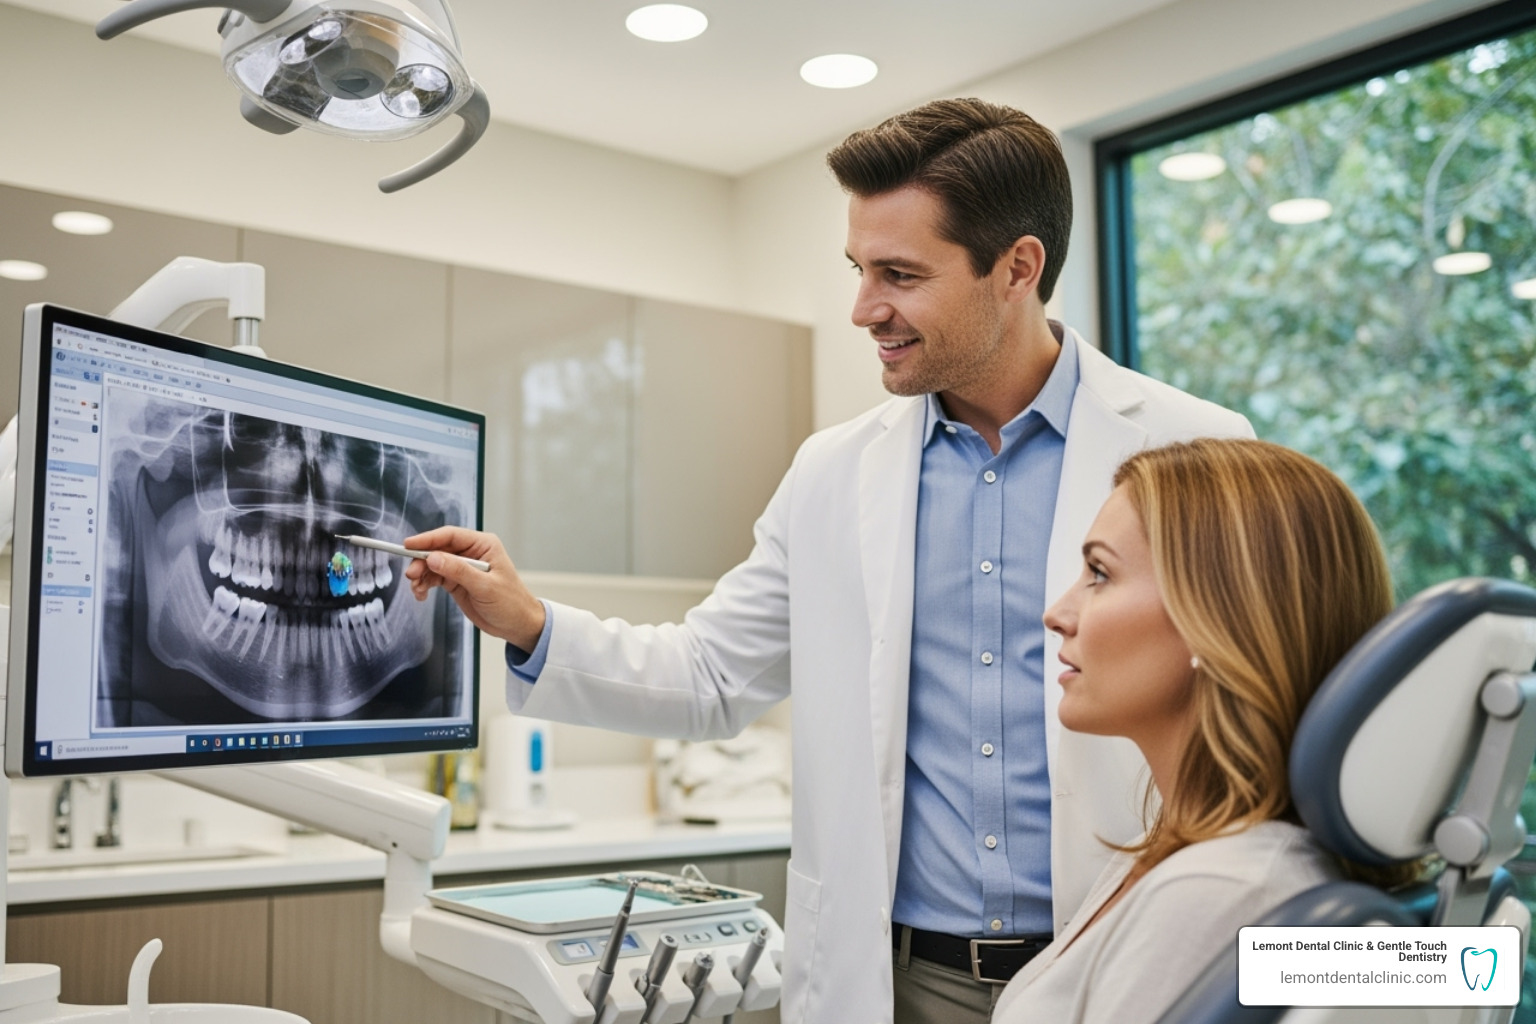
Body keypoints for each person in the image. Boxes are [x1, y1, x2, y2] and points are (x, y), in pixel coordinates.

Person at [403, 98, 1252, 1024]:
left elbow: (1259, 712)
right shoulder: (833, 473)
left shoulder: (1195, 449)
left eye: (899, 274)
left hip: (1123, 963)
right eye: (858, 269)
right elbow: (711, 674)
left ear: (1017, 267)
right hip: (895, 982)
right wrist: (527, 622)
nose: (863, 309)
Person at [994, 438, 1405, 1023]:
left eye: (1100, 573)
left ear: (1216, 617)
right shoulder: (1188, 845)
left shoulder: (1219, 889)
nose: (1057, 612)